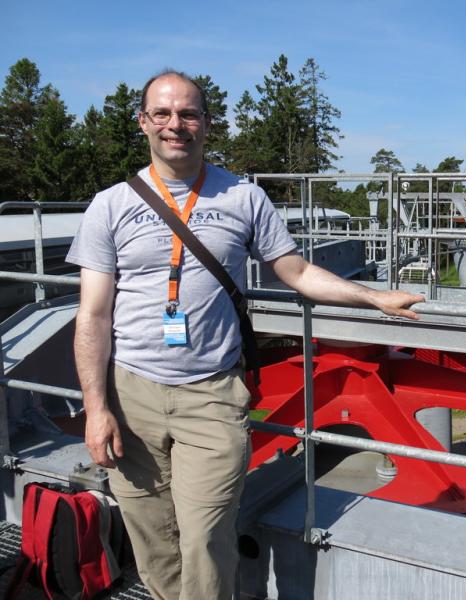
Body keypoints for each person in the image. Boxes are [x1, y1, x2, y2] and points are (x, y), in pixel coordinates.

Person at [67, 69, 423, 600]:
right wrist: (96, 409)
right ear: (143, 122)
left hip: (211, 393)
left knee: (206, 536)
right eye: (162, 113)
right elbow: (93, 316)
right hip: (132, 391)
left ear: (207, 123)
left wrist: (374, 298)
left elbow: (297, 272)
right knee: (150, 534)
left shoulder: (243, 197)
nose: (175, 124)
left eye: (188, 113)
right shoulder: (111, 205)